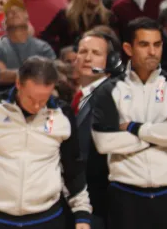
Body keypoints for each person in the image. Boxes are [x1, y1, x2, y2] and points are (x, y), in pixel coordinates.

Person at [0, 56, 92, 229]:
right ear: (18, 84)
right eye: (31, 98)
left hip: (48, 218)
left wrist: (82, 215)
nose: (37, 106)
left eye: (43, 100)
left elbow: (73, 168)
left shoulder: (62, 114)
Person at [91, 17, 167, 229]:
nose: (152, 52)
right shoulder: (108, 90)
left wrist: (134, 128)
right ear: (128, 48)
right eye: (144, 45)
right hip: (126, 196)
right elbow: (105, 143)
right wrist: (160, 136)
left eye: (157, 45)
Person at [74, 30, 118, 229]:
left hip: (100, 207)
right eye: (82, 51)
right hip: (80, 204)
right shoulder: (78, 98)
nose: (87, 58)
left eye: (96, 53)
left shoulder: (110, 96)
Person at [0, 0, 56, 92]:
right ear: (5, 21)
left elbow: (52, 74)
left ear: (27, 16)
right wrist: (36, 73)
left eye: (19, 10)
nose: (14, 13)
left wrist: (11, 74)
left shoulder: (43, 48)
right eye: (9, 12)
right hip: (6, 99)